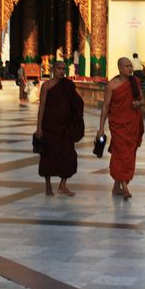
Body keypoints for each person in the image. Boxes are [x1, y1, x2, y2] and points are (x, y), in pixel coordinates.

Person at [35, 61, 84, 197]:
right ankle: (48, 185)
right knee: (48, 155)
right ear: (53, 69)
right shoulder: (47, 86)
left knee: (69, 156)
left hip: (65, 128)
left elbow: (77, 102)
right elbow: (42, 106)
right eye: (59, 69)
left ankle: (63, 185)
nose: (62, 71)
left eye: (64, 69)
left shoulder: (68, 86)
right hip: (50, 126)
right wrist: (39, 127)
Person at [97, 57, 144, 199]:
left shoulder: (134, 82)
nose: (130, 68)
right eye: (127, 66)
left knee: (126, 154)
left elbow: (142, 100)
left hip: (132, 123)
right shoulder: (112, 85)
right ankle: (125, 187)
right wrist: (101, 128)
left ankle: (116, 186)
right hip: (118, 124)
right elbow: (106, 106)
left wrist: (139, 104)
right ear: (120, 68)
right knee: (121, 153)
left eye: (131, 66)